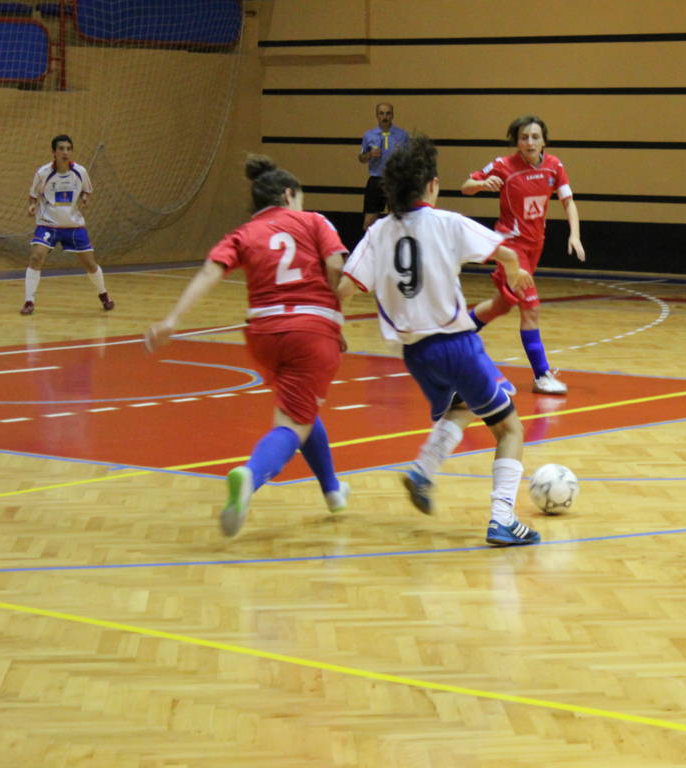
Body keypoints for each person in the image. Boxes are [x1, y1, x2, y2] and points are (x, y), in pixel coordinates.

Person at [339, 135, 541, 546]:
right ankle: (502, 519)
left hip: (415, 354)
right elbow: (503, 250)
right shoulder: (447, 222)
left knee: (463, 405)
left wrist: (333, 327)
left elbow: (344, 288)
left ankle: (423, 471)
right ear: (432, 185)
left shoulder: (378, 232)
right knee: (510, 429)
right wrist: (515, 270)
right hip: (456, 344)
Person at [145, 155, 351, 537]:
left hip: (262, 333)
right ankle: (250, 475)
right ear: (288, 195)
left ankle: (333, 491)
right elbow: (337, 266)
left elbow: (211, 271)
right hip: (310, 330)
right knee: (292, 423)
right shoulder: (314, 221)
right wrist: (333, 316)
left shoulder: (242, 233)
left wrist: (172, 319)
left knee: (299, 408)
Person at [461, 115, 585, 395]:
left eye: (535, 137)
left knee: (501, 305)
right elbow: (465, 186)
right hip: (511, 248)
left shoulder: (554, 166)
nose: (530, 142)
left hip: (535, 246)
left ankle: (459, 333)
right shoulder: (503, 165)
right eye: (524, 137)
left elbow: (568, 202)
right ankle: (542, 375)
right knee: (531, 308)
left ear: (544, 141)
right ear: (516, 142)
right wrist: (482, 184)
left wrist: (574, 235)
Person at [21, 134, 114, 315]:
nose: (65, 152)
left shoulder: (80, 172)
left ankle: (104, 295)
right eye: (61, 149)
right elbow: (33, 196)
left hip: (73, 226)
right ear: (54, 152)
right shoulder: (43, 173)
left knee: (90, 264)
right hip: (48, 224)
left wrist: (85, 199)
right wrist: (32, 206)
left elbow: (87, 191)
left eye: (68, 149)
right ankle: (29, 301)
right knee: (36, 257)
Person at [358, 102, 409, 230]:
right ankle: (369, 243)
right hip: (376, 180)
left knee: (397, 220)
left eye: (388, 113)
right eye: (381, 113)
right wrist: (370, 154)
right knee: (369, 221)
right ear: (377, 116)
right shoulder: (369, 135)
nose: (385, 117)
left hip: (395, 180)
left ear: (392, 115)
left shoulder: (402, 135)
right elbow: (361, 158)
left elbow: (409, 158)